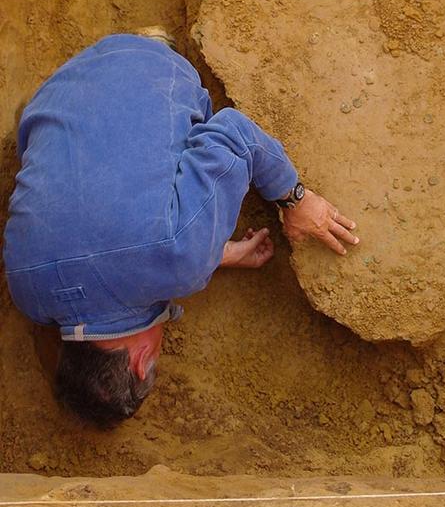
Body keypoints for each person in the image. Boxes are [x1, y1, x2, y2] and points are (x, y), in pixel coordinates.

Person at [2, 30, 359, 428]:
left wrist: (296, 200)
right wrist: (212, 254)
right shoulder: (26, 292)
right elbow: (107, 247)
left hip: (151, 64)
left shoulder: (180, 258)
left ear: (141, 363)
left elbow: (235, 134)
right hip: (60, 86)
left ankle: (156, 40)